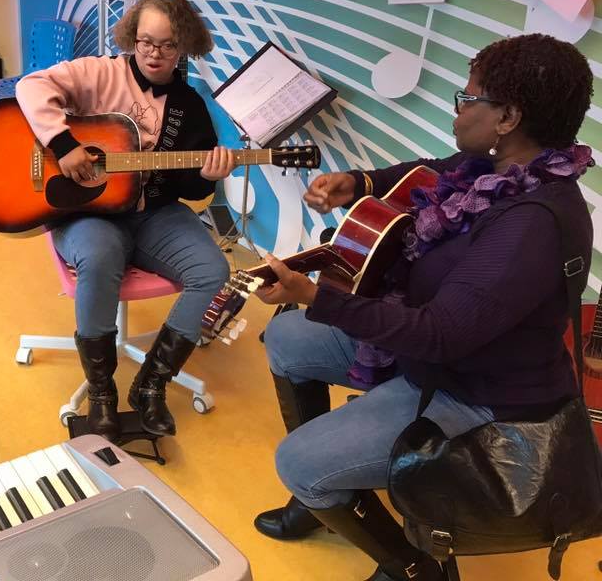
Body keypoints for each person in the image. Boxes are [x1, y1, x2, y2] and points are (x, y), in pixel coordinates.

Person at [252, 33, 593, 581]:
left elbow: (439, 335)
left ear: (507, 116)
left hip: (477, 390)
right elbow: (433, 170)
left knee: (295, 463)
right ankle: (330, 486)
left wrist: (320, 297)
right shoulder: (496, 168)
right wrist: (361, 182)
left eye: (468, 97)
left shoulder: (533, 224)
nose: (458, 109)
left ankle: (412, 569)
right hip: (427, 352)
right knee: (287, 340)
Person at [15, 0, 233, 440]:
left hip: (153, 214)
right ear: (133, 36)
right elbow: (29, 86)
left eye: (168, 45)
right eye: (145, 41)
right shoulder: (100, 72)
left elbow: (190, 188)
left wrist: (209, 176)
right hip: (86, 210)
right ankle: (100, 393)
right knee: (100, 256)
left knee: (213, 269)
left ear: (184, 46)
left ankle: (151, 385)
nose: (154, 53)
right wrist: (63, 145)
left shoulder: (190, 107)